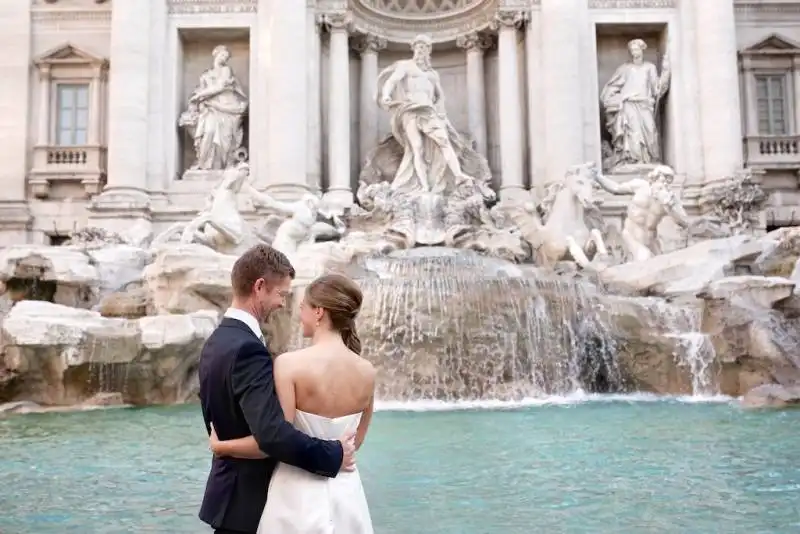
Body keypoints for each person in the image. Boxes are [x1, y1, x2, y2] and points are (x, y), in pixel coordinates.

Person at [198, 245, 357, 534]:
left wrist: (223, 446)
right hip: (249, 504)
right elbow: (271, 434)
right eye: (281, 294)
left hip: (230, 499)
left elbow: (217, 419)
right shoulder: (247, 348)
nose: (283, 304)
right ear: (260, 287)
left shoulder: (217, 342)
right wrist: (333, 454)